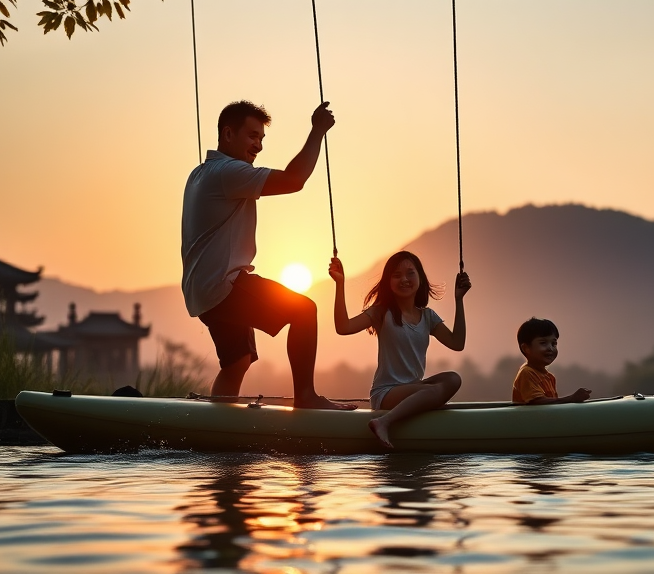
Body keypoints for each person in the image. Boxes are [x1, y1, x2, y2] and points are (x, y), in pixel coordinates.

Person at [181, 100, 353, 410]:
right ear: (228, 134)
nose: (258, 146)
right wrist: (317, 131)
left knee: (238, 360)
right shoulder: (228, 172)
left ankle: (217, 422)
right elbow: (294, 180)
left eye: (261, 138)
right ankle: (306, 398)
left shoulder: (200, 172)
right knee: (304, 310)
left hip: (201, 292)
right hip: (223, 286)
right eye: (252, 136)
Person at [329, 251, 471, 447]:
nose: (404, 279)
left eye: (410, 273)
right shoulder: (381, 312)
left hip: (415, 389)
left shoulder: (428, 316)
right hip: (386, 393)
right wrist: (340, 284)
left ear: (420, 278)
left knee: (453, 379)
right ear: (388, 282)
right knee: (433, 391)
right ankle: (383, 422)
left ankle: (423, 401)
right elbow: (343, 327)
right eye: (396, 275)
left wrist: (459, 300)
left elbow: (457, 343)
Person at [511, 317, 591, 405]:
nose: (550, 348)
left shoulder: (549, 377)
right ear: (526, 348)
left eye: (553, 343)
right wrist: (571, 398)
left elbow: (552, 405)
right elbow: (537, 402)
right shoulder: (527, 373)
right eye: (543, 343)